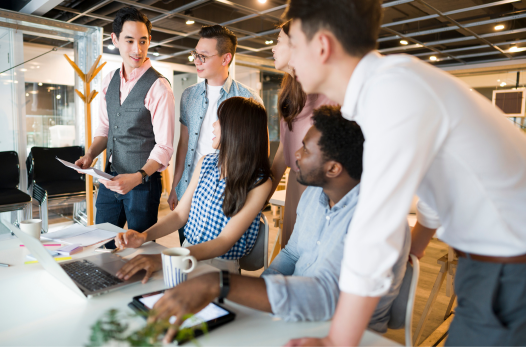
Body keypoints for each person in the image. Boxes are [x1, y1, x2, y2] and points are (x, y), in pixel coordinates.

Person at [279, 0, 526, 346]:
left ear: (322, 46)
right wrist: (421, 240)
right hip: (490, 264)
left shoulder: (391, 93)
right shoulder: (392, 86)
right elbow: (437, 184)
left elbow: (373, 232)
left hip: (510, 271)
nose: (286, 58)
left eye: (292, 43)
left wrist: (336, 342)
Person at [149, 105, 410, 344]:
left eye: (306, 149)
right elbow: (292, 253)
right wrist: (254, 296)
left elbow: (328, 296)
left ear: (333, 168)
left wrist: (221, 283)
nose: (295, 155)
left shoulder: (377, 218)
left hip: (347, 331)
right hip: (296, 311)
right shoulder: (314, 196)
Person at [114, 97, 272, 280]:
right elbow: (180, 215)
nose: (213, 125)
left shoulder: (259, 183)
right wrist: (143, 236)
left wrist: (164, 259)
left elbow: (224, 242)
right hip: (186, 255)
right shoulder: (206, 163)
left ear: (237, 129)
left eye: (219, 120)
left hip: (220, 270)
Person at [75, 7, 174, 247]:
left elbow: (164, 147)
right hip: (109, 178)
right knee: (102, 242)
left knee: (140, 249)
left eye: (143, 41)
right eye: (129, 41)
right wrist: (89, 155)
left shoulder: (159, 87)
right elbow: (104, 129)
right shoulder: (109, 80)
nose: (137, 50)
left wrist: (138, 177)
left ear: (149, 40)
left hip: (143, 186)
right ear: (115, 39)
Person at [167, 25, 263, 245]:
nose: (196, 61)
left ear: (225, 58)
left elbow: (259, 153)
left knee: (223, 259)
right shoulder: (189, 95)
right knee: (187, 248)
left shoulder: (248, 99)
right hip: (189, 190)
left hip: (227, 194)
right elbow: (184, 144)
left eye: (203, 56)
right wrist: (175, 185)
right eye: (195, 54)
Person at [269, 21, 335, 248]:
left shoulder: (328, 93)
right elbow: (282, 153)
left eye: (278, 41)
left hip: (323, 190)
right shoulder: (289, 93)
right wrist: (261, 199)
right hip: (295, 186)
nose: (273, 48)